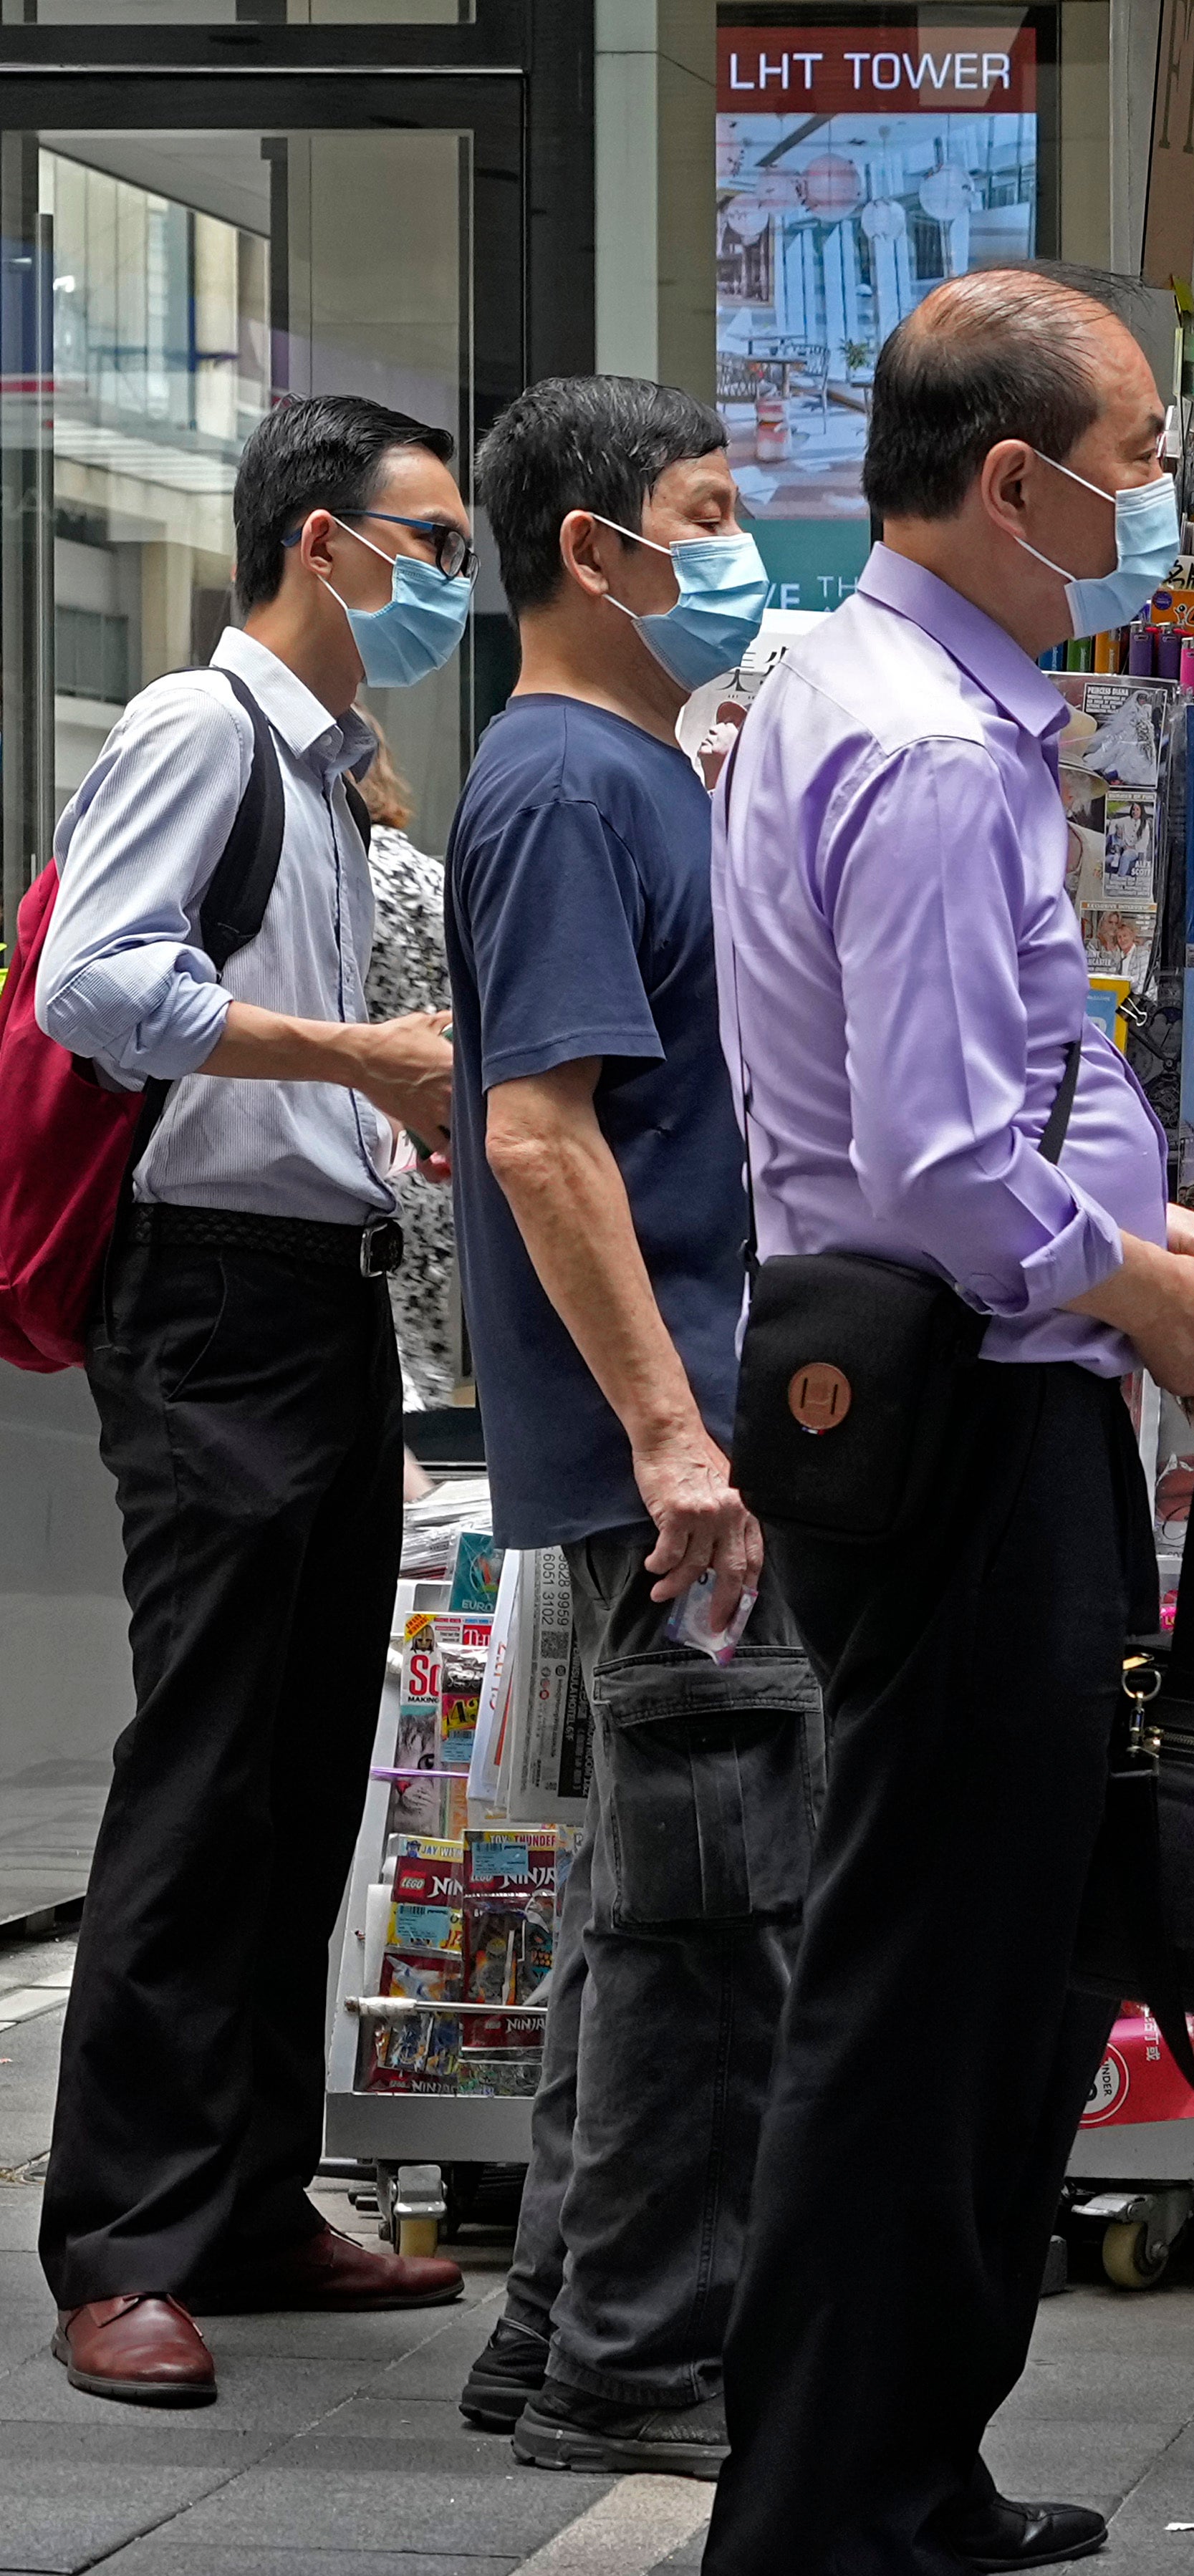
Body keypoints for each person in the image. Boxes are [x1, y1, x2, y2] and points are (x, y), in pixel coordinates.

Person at [699, 261, 1194, 2576]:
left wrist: (1144, 1231)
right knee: (933, 1976)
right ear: (1019, 480)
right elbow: (950, 1161)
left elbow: (959, 1120)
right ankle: (825, 2537)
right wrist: (1167, 1303)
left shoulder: (859, 689)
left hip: (957, 1366)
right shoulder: (936, 749)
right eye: (1142, 465)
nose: (1164, 508)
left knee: (997, 1963)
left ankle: (910, 2461)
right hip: (962, 1398)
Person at [32, 394, 475, 2406]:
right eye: (430, 541)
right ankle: (122, 2235)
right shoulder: (195, 730)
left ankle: (247, 2196)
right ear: (322, 539)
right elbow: (93, 986)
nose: (450, 581)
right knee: (206, 1759)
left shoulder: (321, 770)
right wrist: (360, 1059)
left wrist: (378, 1115)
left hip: (313, 1293)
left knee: (306, 1759)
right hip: (204, 1300)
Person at [434, 375, 809, 2484]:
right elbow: (537, 1133)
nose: (738, 548)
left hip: (683, 1434)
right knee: (705, 1912)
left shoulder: (628, 765)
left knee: (649, 1897)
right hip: (675, 1459)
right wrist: (677, 1439)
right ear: (596, 549)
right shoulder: (569, 784)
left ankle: (564, 2325)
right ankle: (637, 2369)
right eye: (708, 510)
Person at [347, 718, 463, 1409]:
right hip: (434, 1152)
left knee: (369, 1363)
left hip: (356, 1141)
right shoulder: (436, 878)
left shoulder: (339, 874)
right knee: (418, 1346)